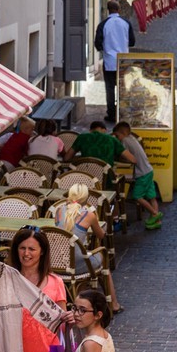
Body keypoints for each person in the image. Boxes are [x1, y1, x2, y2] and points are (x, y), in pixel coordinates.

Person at [54, 185, 121, 313]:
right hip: (77, 265)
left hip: (59, 264)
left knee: (82, 256)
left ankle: (78, 296)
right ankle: (114, 304)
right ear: (86, 198)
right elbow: (101, 235)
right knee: (102, 257)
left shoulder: (58, 211)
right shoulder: (89, 215)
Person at [112, 121, 161, 230]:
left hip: (141, 174)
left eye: (117, 135)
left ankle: (154, 213)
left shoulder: (124, 141)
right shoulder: (132, 138)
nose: (117, 138)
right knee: (152, 197)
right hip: (148, 170)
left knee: (137, 197)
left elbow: (127, 157)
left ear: (123, 133)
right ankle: (157, 221)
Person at [95, 0, 131, 122]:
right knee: (123, 87)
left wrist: (106, 48)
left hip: (109, 61)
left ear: (107, 10)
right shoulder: (126, 23)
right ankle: (123, 112)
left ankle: (111, 114)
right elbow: (132, 41)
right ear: (119, 9)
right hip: (124, 61)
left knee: (110, 89)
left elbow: (98, 44)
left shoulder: (103, 24)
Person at [64, 119, 134, 176]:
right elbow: (132, 159)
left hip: (86, 177)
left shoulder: (82, 137)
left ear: (90, 130)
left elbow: (66, 158)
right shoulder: (112, 139)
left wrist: (81, 158)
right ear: (104, 130)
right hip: (106, 179)